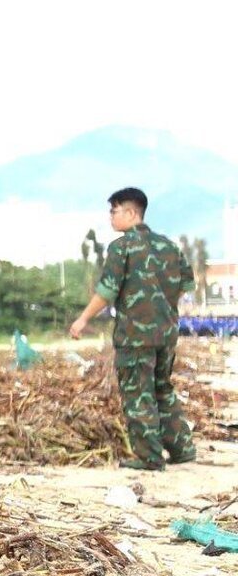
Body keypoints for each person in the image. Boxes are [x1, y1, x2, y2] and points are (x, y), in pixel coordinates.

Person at [68, 187, 196, 471]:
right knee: (163, 388)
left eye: (113, 211)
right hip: (166, 333)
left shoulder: (122, 247)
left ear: (131, 212)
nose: (111, 217)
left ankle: (149, 457)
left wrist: (83, 319)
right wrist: (162, 309)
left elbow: (107, 290)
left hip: (135, 335)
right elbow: (186, 285)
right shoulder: (168, 246)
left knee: (139, 393)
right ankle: (182, 448)